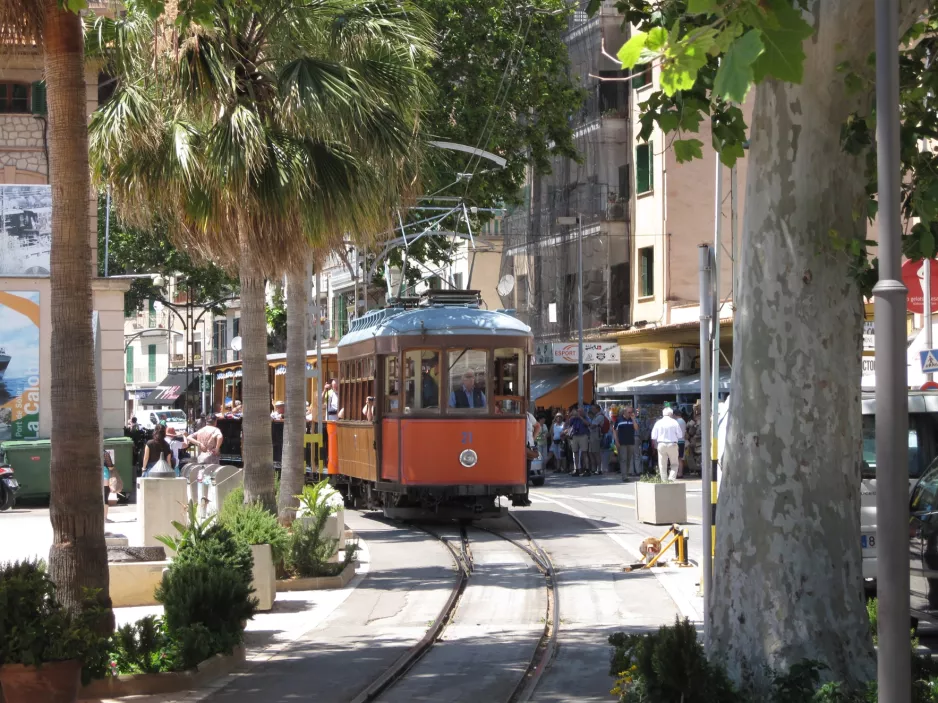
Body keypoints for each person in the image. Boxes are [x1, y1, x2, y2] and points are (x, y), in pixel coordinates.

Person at [651, 407, 684, 481]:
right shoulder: (674, 422)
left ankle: (664, 480)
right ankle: (671, 479)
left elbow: (653, 436)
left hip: (661, 444)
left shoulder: (658, 422)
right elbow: (680, 435)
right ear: (671, 414)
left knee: (662, 464)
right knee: (674, 464)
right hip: (672, 444)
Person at [614, 406, 638, 481]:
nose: (630, 414)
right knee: (623, 459)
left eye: (631, 412)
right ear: (624, 412)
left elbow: (636, 428)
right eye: (629, 412)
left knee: (629, 459)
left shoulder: (632, 419)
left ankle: (626, 474)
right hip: (622, 442)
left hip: (631, 442)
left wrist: (633, 419)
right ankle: (624, 476)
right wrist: (616, 441)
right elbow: (615, 431)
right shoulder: (619, 420)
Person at [566, 407, 590, 476]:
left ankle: (587, 469)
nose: (578, 413)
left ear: (583, 412)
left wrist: (580, 417)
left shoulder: (585, 417)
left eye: (580, 412)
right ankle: (577, 469)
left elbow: (588, 424)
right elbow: (567, 424)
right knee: (575, 452)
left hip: (583, 435)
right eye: (578, 411)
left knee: (584, 453)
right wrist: (570, 415)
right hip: (575, 436)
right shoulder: (574, 418)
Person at [588, 405, 605, 474]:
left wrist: (588, 425)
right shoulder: (595, 416)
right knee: (591, 452)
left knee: (596, 453)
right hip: (592, 436)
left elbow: (593, 426)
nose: (592, 410)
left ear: (597, 409)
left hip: (596, 436)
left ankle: (599, 469)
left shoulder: (600, 416)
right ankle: (593, 469)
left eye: (593, 408)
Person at [675, 409, 688, 478]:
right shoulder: (683, 421)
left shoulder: (676, 422)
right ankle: (680, 473)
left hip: (677, 441)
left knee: (676, 458)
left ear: (675, 415)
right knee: (681, 458)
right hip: (682, 441)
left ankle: (677, 473)